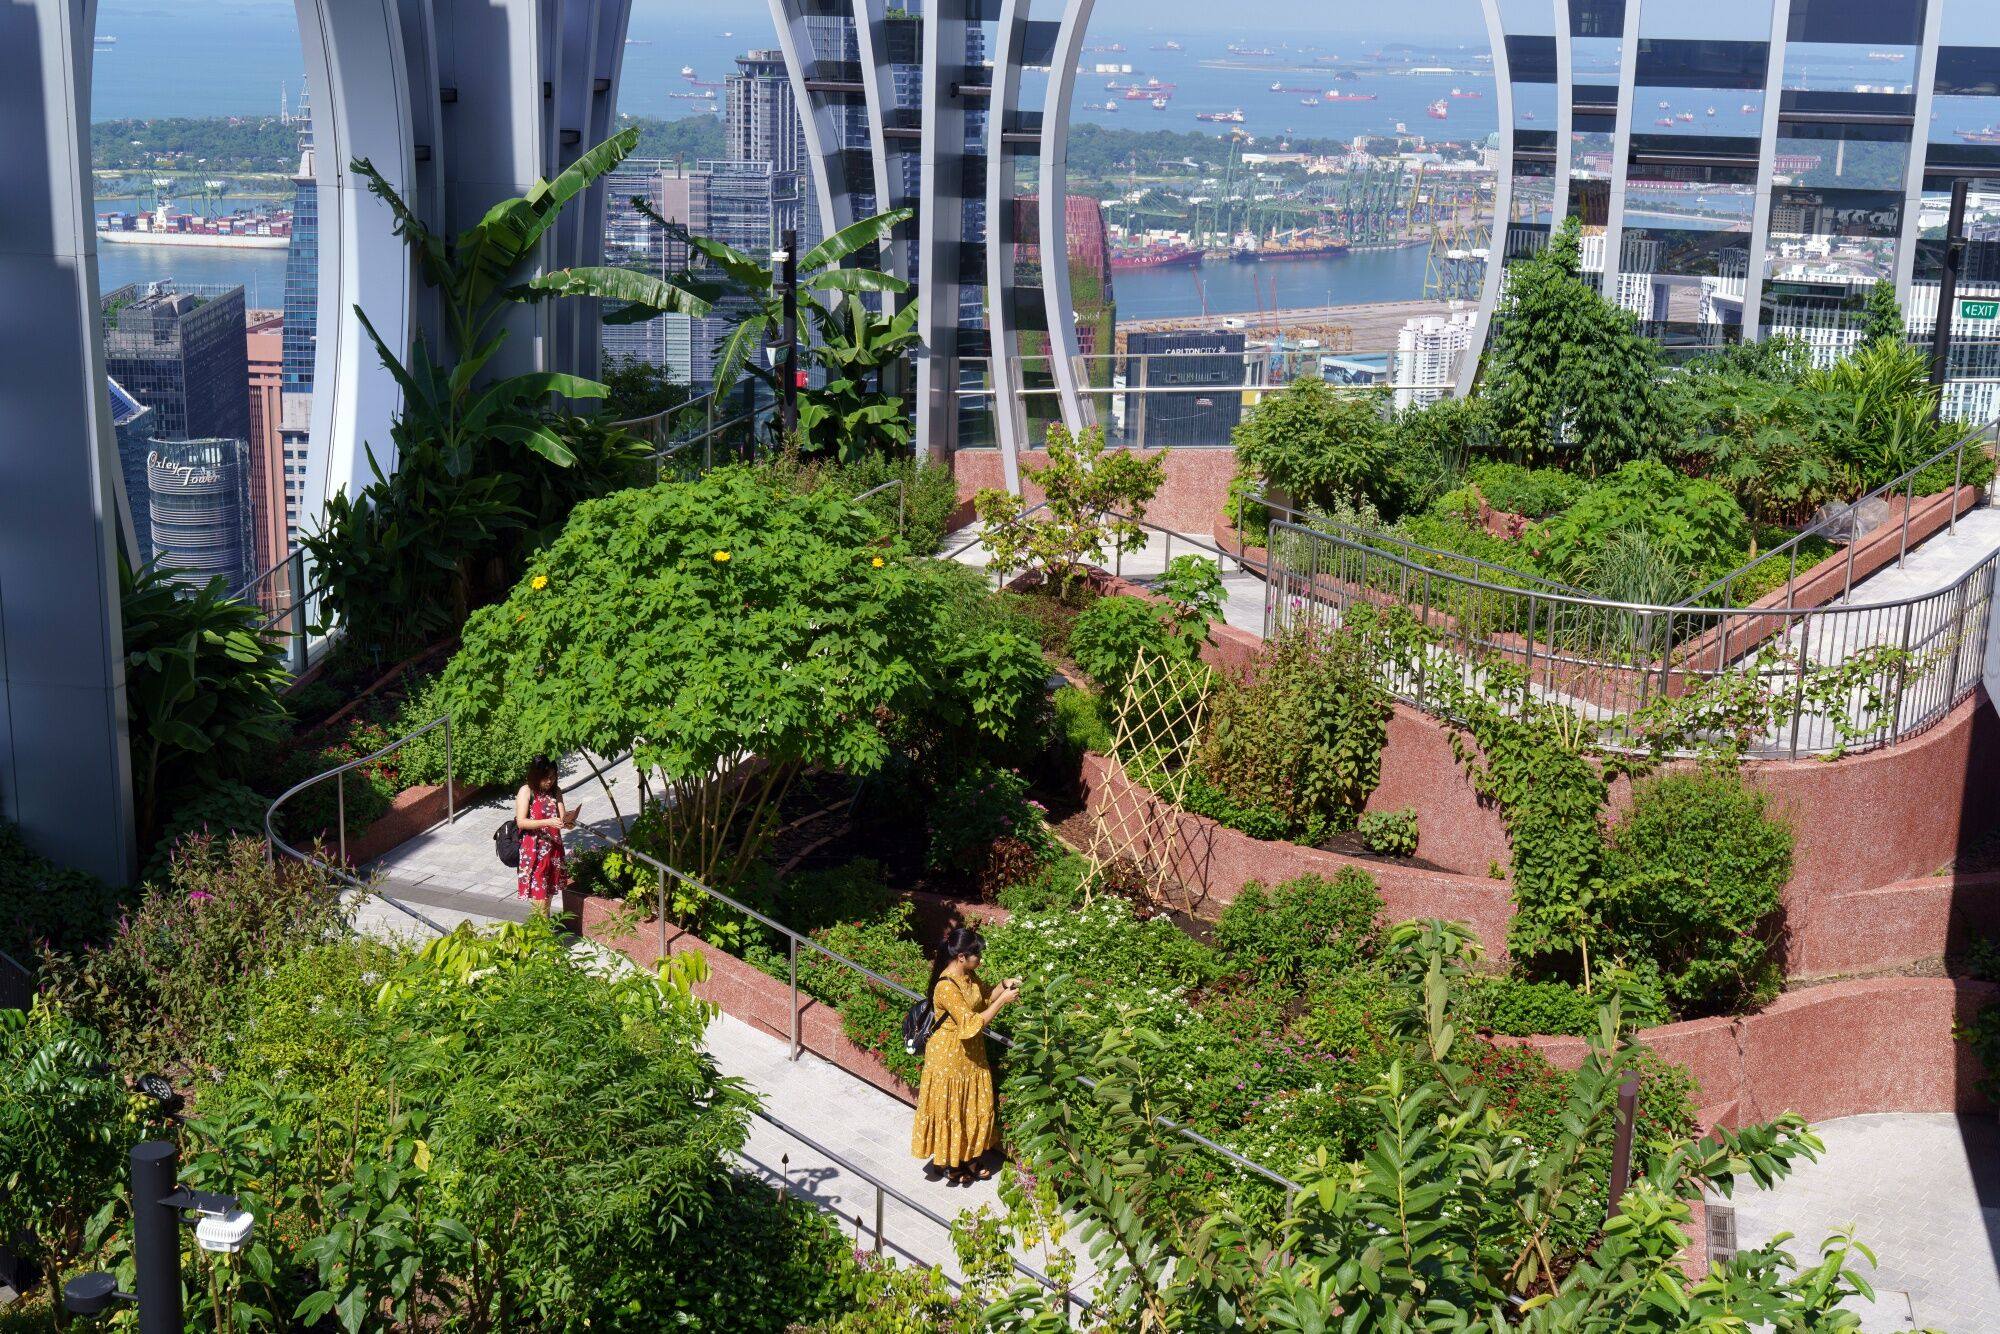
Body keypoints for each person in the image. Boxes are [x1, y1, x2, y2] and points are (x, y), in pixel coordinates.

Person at [911, 927, 1020, 1186]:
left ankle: (967, 1157)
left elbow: (982, 999)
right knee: (951, 1107)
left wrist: (1001, 986)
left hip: (970, 1053)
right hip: (948, 1056)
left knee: (970, 1106)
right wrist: (1003, 1001)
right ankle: (951, 1162)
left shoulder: (969, 976)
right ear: (961, 956)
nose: (979, 960)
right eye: (976, 955)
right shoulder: (946, 986)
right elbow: (971, 1023)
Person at [514, 755, 579, 910]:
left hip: (554, 851)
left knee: (547, 900)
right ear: (536, 776)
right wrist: (548, 822)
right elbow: (521, 822)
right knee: (539, 901)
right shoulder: (526, 791)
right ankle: (541, 932)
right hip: (535, 852)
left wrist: (568, 822)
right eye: (545, 778)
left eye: (552, 777)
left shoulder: (556, 791)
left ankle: (544, 931)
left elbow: (561, 818)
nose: (549, 781)